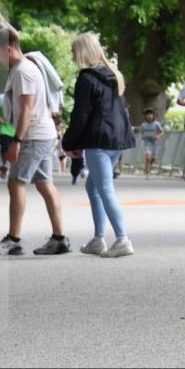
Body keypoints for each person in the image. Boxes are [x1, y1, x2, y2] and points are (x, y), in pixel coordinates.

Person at [0, 26, 69, 256]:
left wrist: (16, 140)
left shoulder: (23, 71)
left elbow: (27, 109)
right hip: (43, 134)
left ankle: (14, 239)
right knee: (44, 184)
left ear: (8, 49)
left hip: (35, 136)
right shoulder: (22, 69)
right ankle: (59, 238)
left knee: (16, 182)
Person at [61, 32, 136, 258]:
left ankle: (122, 239)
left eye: (74, 52)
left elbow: (81, 115)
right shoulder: (112, 75)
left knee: (104, 188)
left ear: (82, 52)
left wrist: (68, 141)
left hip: (98, 140)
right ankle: (98, 238)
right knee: (93, 187)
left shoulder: (86, 78)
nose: (73, 56)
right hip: (116, 139)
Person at [140, 108, 164, 178]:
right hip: (147, 143)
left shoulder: (156, 124)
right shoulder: (143, 124)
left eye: (151, 114)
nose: (149, 116)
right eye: (147, 114)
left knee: (153, 159)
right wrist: (143, 136)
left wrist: (157, 136)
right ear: (145, 116)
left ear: (153, 115)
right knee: (148, 158)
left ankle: (148, 167)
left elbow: (162, 132)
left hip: (155, 144)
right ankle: (148, 174)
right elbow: (141, 133)